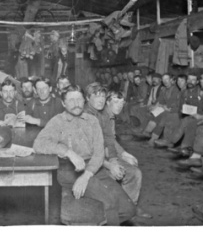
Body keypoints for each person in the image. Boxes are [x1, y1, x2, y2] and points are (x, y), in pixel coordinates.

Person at [33, 85, 136, 226]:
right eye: (71, 100)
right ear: (63, 103)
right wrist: (68, 152)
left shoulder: (92, 121)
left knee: (128, 210)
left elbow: (99, 153)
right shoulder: (58, 121)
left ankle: (99, 222)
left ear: (84, 101)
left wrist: (86, 176)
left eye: (79, 99)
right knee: (110, 204)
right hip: (70, 171)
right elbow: (39, 144)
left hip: (94, 169)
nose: (76, 104)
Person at [83, 83, 149, 218]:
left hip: (103, 157)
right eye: (96, 96)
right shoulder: (86, 116)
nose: (100, 100)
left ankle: (129, 208)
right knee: (115, 176)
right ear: (87, 98)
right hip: (88, 162)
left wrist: (118, 157)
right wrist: (110, 164)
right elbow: (90, 153)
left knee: (134, 172)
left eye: (102, 96)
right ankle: (114, 212)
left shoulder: (103, 115)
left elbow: (109, 141)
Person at [141, 73, 182, 141]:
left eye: (167, 79)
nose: (165, 81)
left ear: (171, 80)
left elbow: (170, 104)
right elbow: (160, 100)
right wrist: (154, 107)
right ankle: (146, 132)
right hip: (165, 108)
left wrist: (161, 106)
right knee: (153, 113)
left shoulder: (175, 89)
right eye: (163, 79)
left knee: (160, 116)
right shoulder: (164, 89)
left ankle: (153, 138)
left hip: (173, 110)